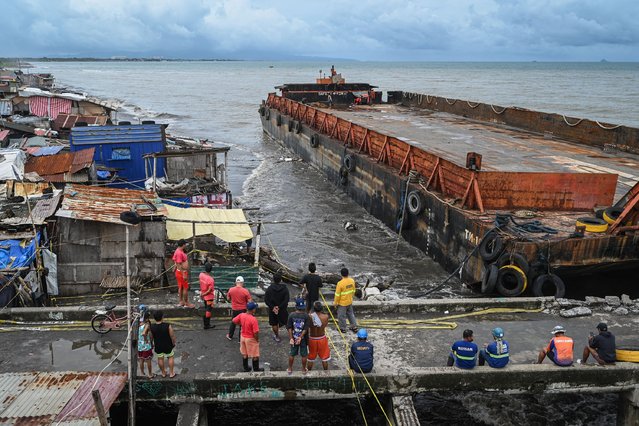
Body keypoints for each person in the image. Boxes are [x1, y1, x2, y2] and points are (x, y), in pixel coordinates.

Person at [232, 301, 263, 372]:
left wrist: (240, 324)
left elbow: (234, 321)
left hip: (242, 337)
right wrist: (257, 339)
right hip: (250, 338)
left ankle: (246, 368)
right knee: (255, 355)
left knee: (244, 353)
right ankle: (256, 369)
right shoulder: (253, 319)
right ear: (253, 310)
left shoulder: (241, 315)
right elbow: (255, 332)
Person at [150, 310, 177, 378]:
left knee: (160, 359)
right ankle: (171, 373)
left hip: (158, 346)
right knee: (170, 357)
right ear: (162, 317)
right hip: (167, 345)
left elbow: (151, 337)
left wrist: (151, 344)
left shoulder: (152, 327)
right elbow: (172, 336)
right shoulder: (168, 326)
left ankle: (163, 373)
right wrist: (174, 342)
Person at [287, 297, 310, 374]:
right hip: (302, 339)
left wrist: (291, 338)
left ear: (296, 306)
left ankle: (290, 369)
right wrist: (300, 337)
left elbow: (289, 327)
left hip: (294, 337)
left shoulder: (291, 315)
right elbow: (305, 329)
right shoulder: (306, 316)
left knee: (292, 354)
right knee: (304, 355)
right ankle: (303, 370)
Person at [264, 273, 289, 342]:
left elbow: (266, 300)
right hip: (282, 309)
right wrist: (279, 307)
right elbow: (286, 300)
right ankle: (291, 335)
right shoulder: (285, 288)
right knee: (286, 322)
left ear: (273, 279)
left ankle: (277, 336)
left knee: (274, 323)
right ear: (280, 280)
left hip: (272, 310)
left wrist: (273, 307)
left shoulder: (269, 288)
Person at [226, 276, 252, 341]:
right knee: (242, 325)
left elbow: (228, 299)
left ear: (236, 282)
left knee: (233, 322)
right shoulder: (245, 291)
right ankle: (240, 339)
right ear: (242, 283)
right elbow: (250, 301)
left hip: (234, 309)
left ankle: (230, 336)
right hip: (243, 310)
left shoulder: (231, 289)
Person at [307, 301, 330, 371]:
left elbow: (308, 325)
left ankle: (309, 372)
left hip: (312, 339)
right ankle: (326, 373)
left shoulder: (310, 316)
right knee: (324, 358)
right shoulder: (326, 317)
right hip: (322, 338)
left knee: (310, 358)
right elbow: (325, 325)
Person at [334, 267, 358, 333]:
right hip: (349, 301)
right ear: (348, 273)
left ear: (341, 274)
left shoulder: (340, 283)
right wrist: (350, 297)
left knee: (341, 316)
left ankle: (342, 328)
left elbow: (337, 295)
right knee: (350, 314)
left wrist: (335, 303)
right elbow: (353, 291)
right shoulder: (352, 281)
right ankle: (354, 327)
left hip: (342, 303)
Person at [172, 239, 194, 308]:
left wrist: (175, 267)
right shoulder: (179, 252)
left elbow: (176, 262)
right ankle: (186, 302)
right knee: (185, 288)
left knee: (181, 287)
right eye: (185, 244)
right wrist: (183, 274)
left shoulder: (179, 251)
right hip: (182, 272)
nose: (186, 245)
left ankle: (181, 301)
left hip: (179, 271)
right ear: (183, 245)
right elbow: (178, 263)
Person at [137, 305, 153, 378]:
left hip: (139, 345)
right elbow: (144, 333)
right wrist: (146, 340)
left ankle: (142, 373)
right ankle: (150, 374)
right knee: (148, 359)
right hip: (146, 345)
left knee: (141, 359)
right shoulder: (146, 324)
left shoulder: (137, 324)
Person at [199, 263, 215, 330]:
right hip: (209, 297)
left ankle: (206, 323)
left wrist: (202, 294)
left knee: (206, 308)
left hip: (204, 296)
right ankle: (207, 325)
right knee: (208, 310)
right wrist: (204, 294)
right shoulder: (211, 280)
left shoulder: (201, 275)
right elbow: (209, 290)